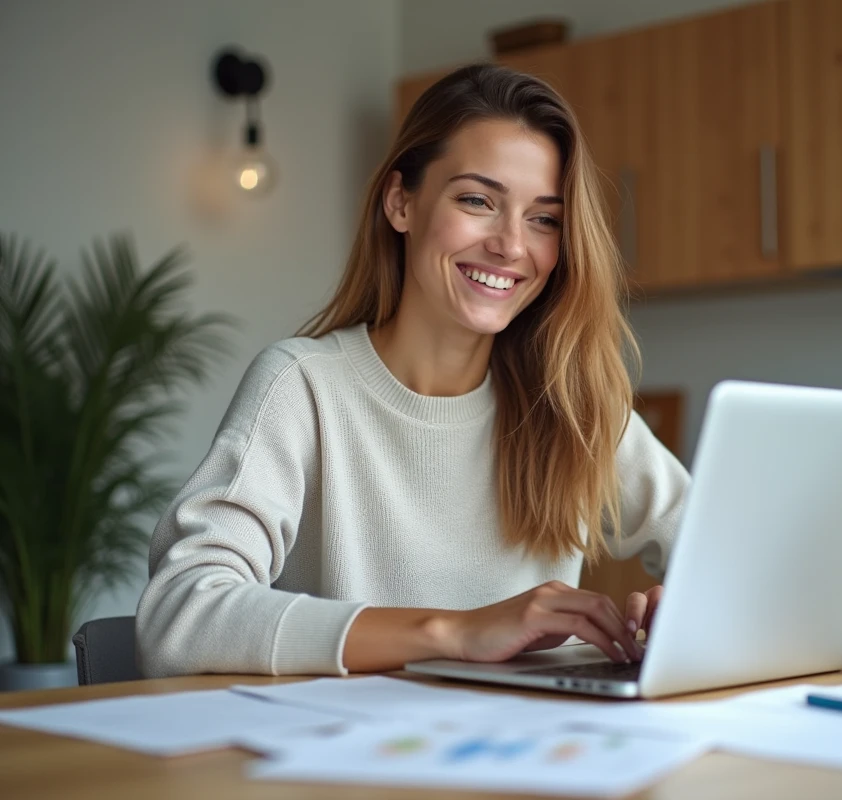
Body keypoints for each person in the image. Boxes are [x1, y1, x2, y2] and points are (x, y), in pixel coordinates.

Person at [135, 63, 690, 678]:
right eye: (478, 201)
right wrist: (453, 632)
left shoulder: (571, 405)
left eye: (544, 219)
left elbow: (730, 554)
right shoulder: (303, 387)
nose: (511, 245)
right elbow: (179, 614)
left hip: (530, 737)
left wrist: (688, 607)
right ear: (401, 202)